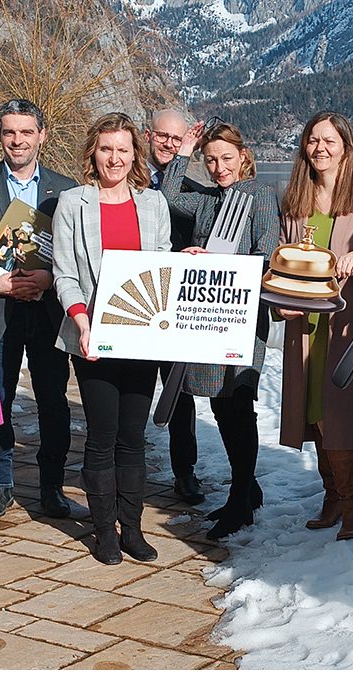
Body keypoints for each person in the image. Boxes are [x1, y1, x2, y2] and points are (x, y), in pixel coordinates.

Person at [52, 112, 173, 565]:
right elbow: (64, 273)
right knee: (101, 435)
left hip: (141, 337)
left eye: (123, 149)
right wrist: (81, 321)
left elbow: (161, 268)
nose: (115, 158)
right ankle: (104, 531)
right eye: (106, 149)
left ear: (134, 155)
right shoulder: (73, 203)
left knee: (133, 437)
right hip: (92, 336)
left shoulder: (153, 205)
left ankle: (133, 528)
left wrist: (187, 261)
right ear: (93, 153)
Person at [276, 111, 353, 541]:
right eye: (312, 140)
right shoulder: (296, 200)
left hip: (347, 329)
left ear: (346, 146)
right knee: (313, 416)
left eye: (329, 140)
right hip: (305, 328)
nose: (320, 148)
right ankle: (331, 499)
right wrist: (281, 307)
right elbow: (281, 264)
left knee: (337, 420)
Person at [160, 120, 281, 541]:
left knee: (239, 404)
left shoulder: (260, 196)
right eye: (210, 160)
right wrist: (184, 151)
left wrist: (211, 258)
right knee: (221, 406)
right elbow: (167, 196)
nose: (218, 167)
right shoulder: (207, 201)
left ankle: (240, 499)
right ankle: (246, 491)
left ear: (243, 156)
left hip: (244, 318)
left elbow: (266, 252)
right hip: (209, 316)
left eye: (226, 158)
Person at [0, 99, 80, 521]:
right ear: (0, 135)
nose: (17, 140)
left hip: (48, 310)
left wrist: (50, 278)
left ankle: (52, 487)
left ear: (42, 136)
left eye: (26, 132)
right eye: (9, 132)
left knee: (53, 401)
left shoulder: (67, 189)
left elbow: (77, 252)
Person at [146, 107, 205, 505]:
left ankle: (185, 472)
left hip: (176, 305)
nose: (169, 144)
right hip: (135, 300)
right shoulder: (126, 179)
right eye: (163, 136)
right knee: (130, 391)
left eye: (177, 139)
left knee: (179, 393)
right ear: (148, 135)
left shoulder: (194, 191)